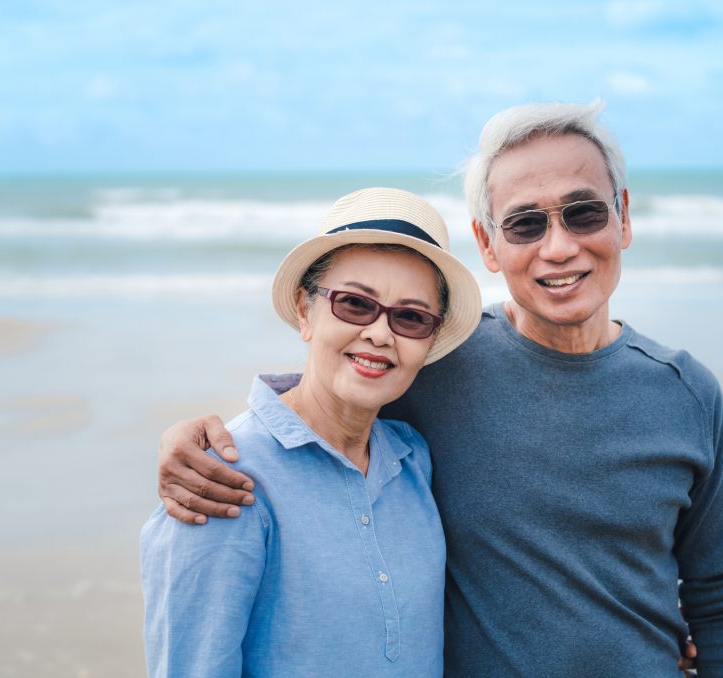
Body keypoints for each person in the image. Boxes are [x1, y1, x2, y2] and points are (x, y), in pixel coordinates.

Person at [156, 102, 723, 676]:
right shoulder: (436, 366)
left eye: (584, 213)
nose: (560, 247)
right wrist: (193, 442)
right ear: (488, 244)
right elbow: (328, 390)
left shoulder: (686, 394)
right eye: (525, 224)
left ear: (624, 217)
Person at [140, 188, 484, 677]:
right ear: (305, 310)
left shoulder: (414, 459)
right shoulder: (218, 480)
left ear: (430, 340)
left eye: (410, 317)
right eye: (355, 304)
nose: (381, 334)